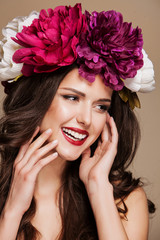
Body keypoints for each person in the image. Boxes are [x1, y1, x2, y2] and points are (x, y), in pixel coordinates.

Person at [0, 3, 156, 240]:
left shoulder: (125, 200)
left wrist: (98, 188)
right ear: (37, 98)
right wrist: (12, 212)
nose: (86, 119)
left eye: (100, 106)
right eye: (72, 97)